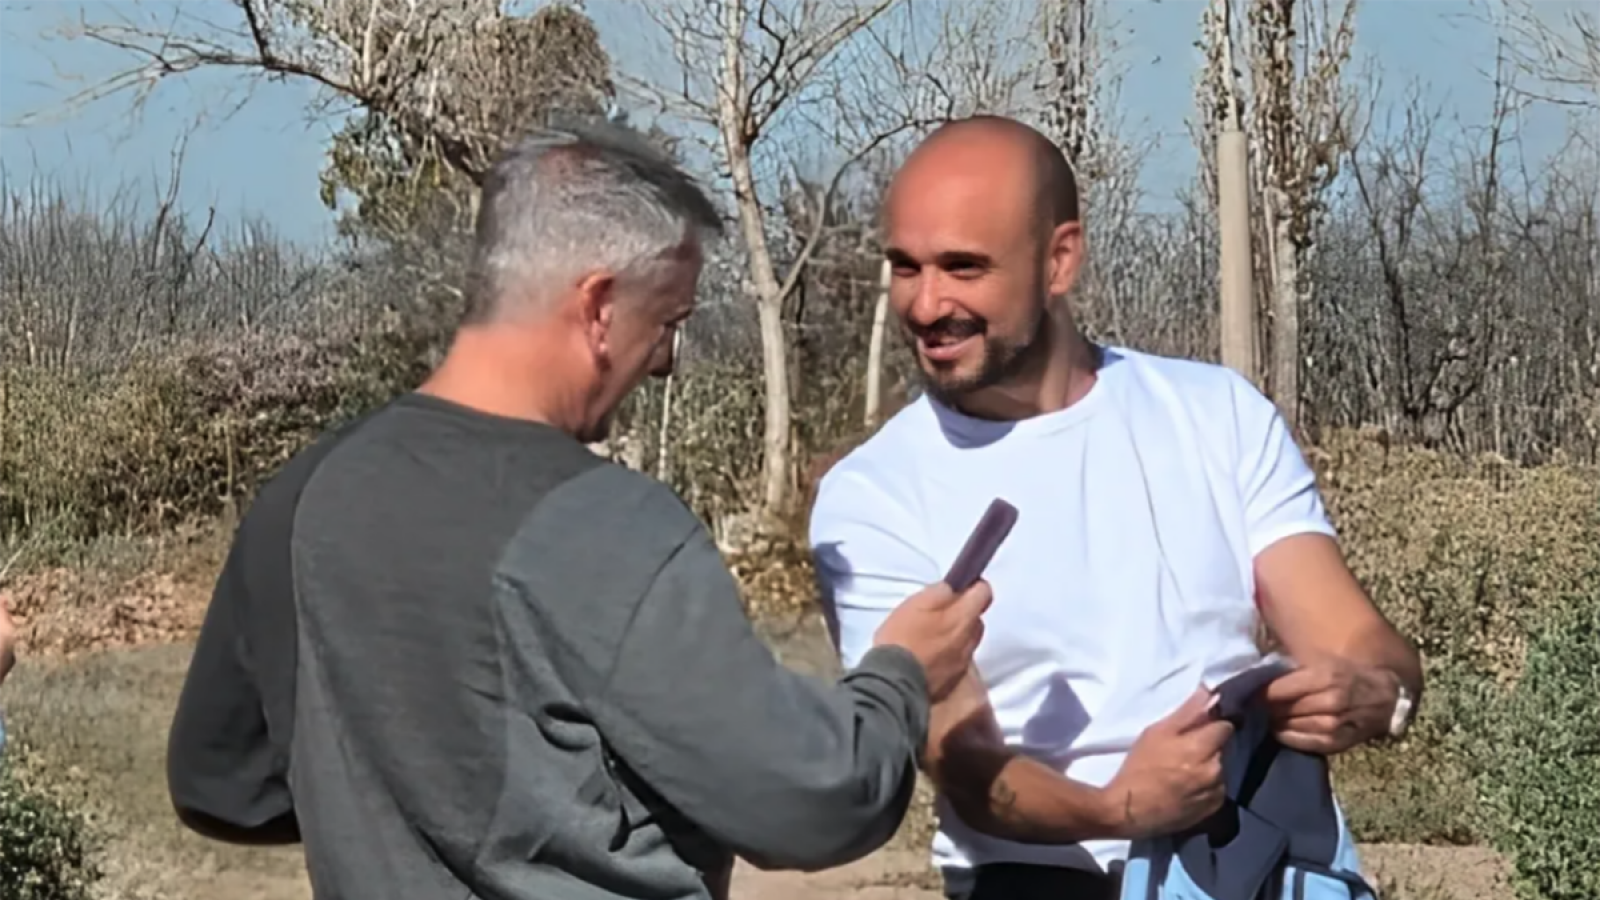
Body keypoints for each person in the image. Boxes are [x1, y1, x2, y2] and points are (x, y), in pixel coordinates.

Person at [165, 118, 994, 900]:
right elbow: (813, 801)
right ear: (599, 306)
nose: (664, 363)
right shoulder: (609, 527)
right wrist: (902, 677)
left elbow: (222, 784)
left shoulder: (308, 492)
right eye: (667, 321)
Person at [809, 115, 1423, 900]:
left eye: (964, 268)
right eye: (906, 267)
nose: (927, 304)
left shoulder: (1216, 414)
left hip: (1255, 867)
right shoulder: (873, 495)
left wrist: (1376, 695)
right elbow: (959, 762)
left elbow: (1358, 641)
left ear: (1059, 260)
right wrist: (1120, 806)